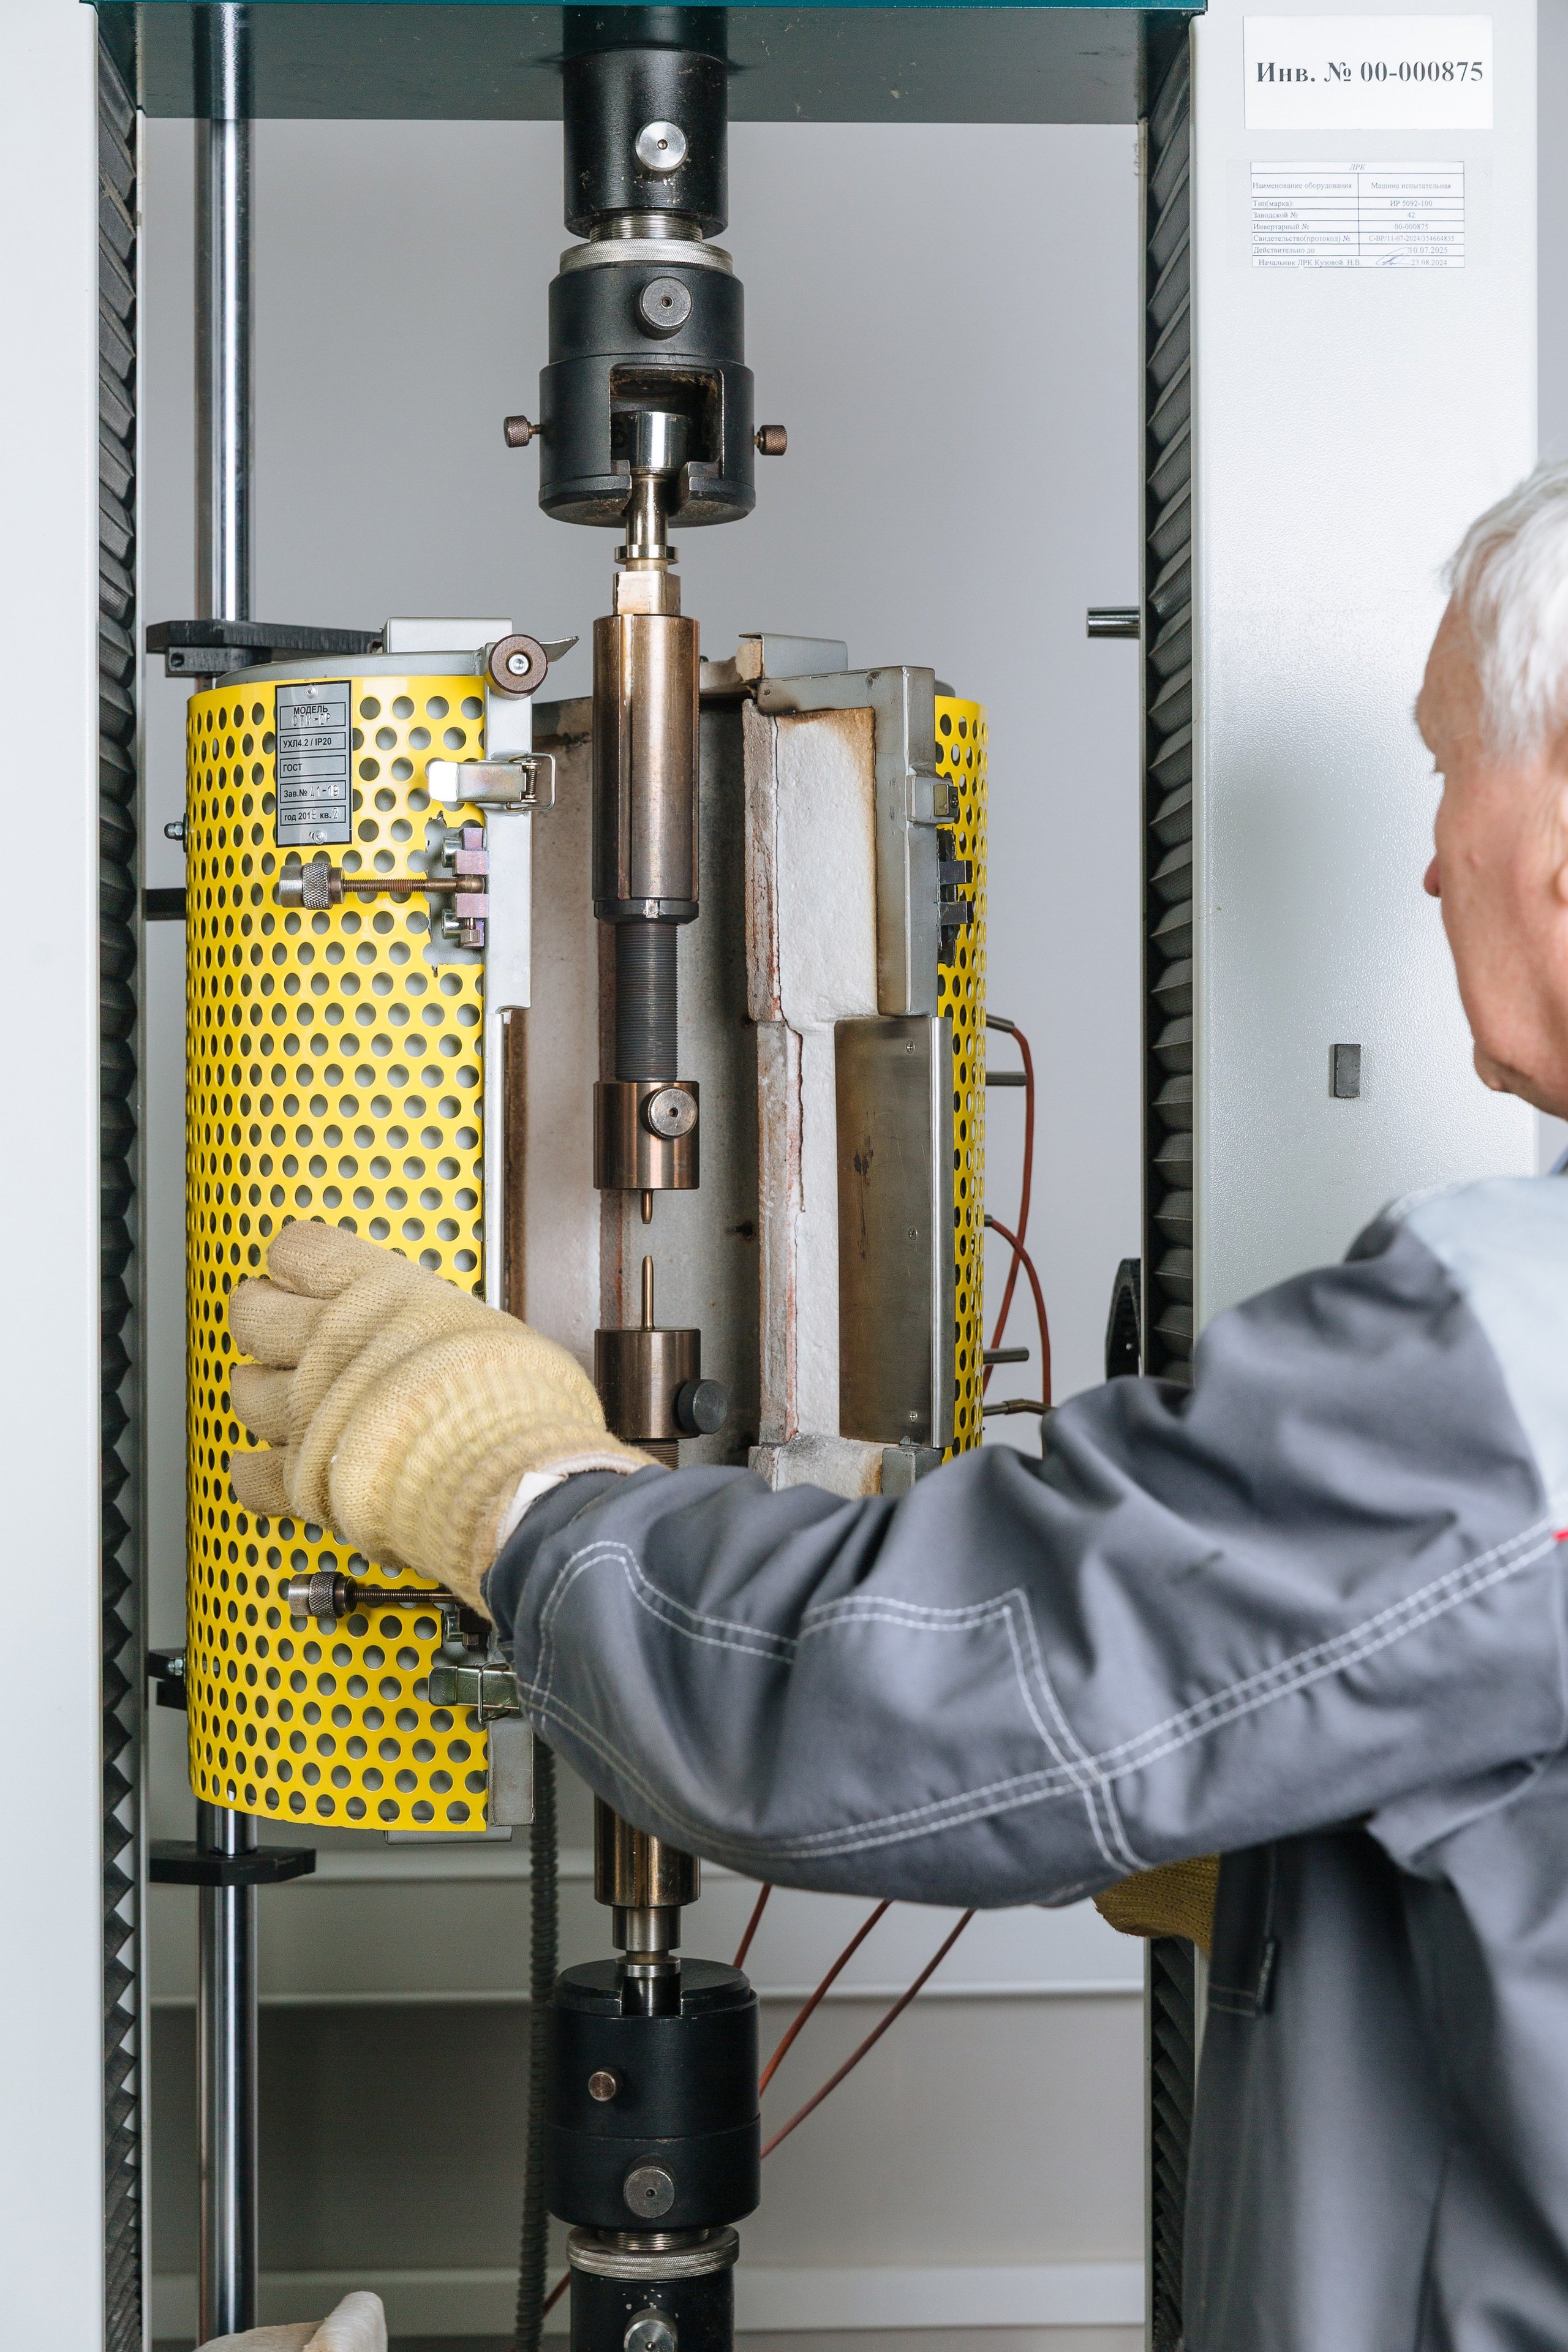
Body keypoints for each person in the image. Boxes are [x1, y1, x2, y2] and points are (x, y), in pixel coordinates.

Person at [222, 462, 1568, 2352]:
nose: (1430, 861)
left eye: (1448, 770)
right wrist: (1291, 1860)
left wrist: (501, 1486)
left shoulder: (1514, 1354)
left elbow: (889, 1700)